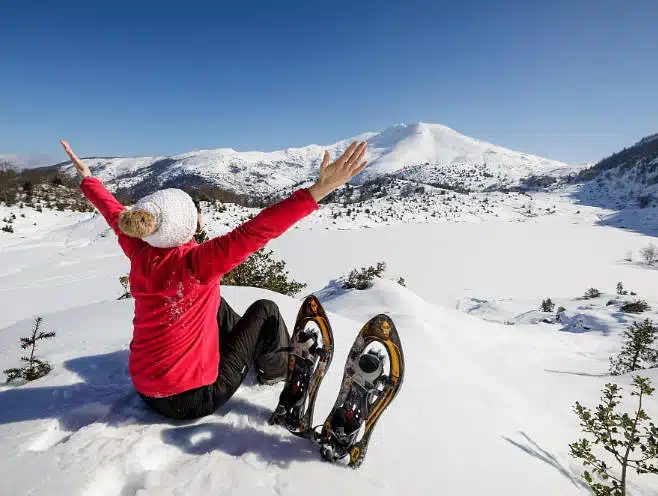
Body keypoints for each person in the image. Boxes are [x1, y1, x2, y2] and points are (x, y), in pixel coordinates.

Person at [59, 139, 368, 420]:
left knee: (214, 302)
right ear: (186, 226)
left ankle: (245, 347)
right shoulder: (198, 263)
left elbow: (114, 214)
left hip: (145, 390)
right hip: (193, 400)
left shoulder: (140, 250)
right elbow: (259, 229)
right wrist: (319, 191)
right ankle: (277, 371)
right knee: (266, 310)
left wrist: (88, 179)